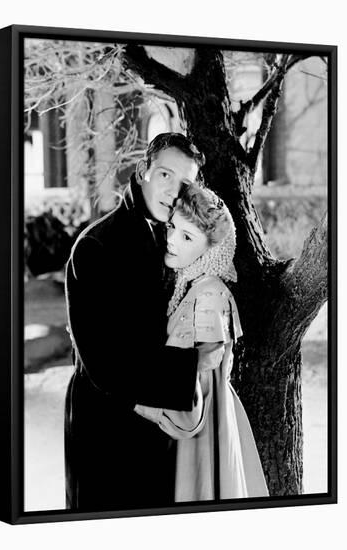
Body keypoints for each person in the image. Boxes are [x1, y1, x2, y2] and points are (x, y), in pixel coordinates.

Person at [64, 133, 208, 511]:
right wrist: (194, 365)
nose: (173, 190)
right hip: (105, 429)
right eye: (165, 175)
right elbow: (105, 362)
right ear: (143, 171)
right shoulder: (96, 246)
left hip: (155, 424)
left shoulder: (172, 240)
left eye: (184, 183)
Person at [134, 185, 269, 501]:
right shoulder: (194, 286)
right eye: (173, 228)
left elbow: (197, 393)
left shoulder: (207, 295)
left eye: (187, 237)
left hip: (200, 436)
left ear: (211, 249)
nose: (171, 240)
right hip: (205, 422)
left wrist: (138, 403)